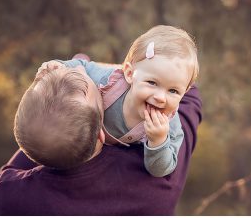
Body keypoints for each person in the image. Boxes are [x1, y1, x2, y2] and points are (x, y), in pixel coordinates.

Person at [0, 61, 201, 216]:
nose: (102, 84)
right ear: (100, 133)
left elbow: (8, 175)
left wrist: (47, 123)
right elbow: (187, 90)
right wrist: (129, 75)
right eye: (100, 90)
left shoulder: (6, 198)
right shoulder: (159, 183)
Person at [31, 26, 199, 178]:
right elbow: (81, 67)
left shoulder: (171, 126)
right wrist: (59, 66)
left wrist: (158, 141)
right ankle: (87, 56)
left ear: (185, 91)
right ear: (129, 74)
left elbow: (162, 170)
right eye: (152, 83)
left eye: (173, 91)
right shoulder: (110, 84)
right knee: (85, 67)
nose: (161, 98)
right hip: (97, 104)